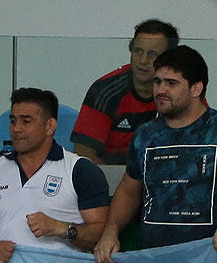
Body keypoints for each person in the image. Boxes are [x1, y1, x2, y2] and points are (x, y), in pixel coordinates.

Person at [93, 45, 217, 263]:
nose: (160, 90)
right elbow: (129, 191)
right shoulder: (145, 134)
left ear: (196, 89)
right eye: (157, 82)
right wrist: (110, 232)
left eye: (171, 83)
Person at [0, 88, 110, 263]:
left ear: (50, 126)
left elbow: (100, 234)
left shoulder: (79, 170)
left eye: (26, 121)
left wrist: (61, 228)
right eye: (13, 120)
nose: (17, 129)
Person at [72, 20, 176, 166]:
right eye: (138, 51)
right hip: (112, 177)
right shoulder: (104, 90)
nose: (143, 60)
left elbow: (201, 141)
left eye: (152, 54)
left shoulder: (180, 90)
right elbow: (84, 155)